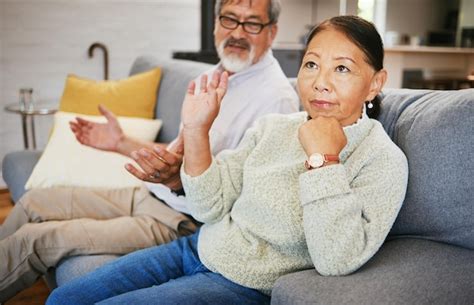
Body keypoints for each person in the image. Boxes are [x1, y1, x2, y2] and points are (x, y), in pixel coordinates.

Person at [46, 15, 409, 305]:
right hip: (196, 248)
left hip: (246, 286)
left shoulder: (382, 160)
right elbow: (208, 206)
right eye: (311, 64)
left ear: (376, 83)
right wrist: (197, 130)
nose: (320, 82)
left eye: (342, 69)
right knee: (65, 298)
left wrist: (323, 160)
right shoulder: (273, 127)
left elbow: (336, 259)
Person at [0, 0, 299, 301]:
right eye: (229, 19)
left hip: (179, 220)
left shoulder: (277, 99)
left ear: (271, 32)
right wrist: (121, 142)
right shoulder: (212, 78)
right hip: (148, 192)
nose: (237, 33)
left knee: (34, 240)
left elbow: (245, 193)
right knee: (34, 203)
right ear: (215, 23)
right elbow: (180, 154)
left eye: (251, 23)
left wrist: (180, 178)